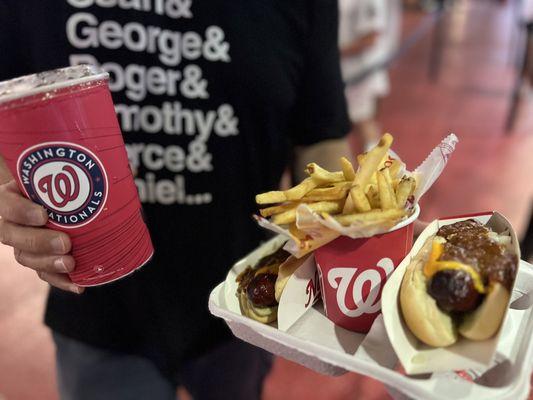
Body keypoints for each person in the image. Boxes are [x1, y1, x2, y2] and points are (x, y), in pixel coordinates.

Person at [0, 1, 352, 399]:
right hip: (94, 303)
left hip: (246, 300)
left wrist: (351, 237)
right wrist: (8, 201)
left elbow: (321, 132)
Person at [338, 0, 401, 150]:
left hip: (361, 72)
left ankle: (374, 168)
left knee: (363, 121)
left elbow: (370, 37)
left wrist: (330, 53)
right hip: (346, 72)